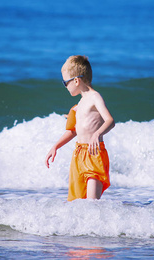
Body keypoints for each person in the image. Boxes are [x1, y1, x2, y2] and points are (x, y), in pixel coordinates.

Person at [45, 55, 115, 201]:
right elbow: (73, 131)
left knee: (92, 203)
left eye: (65, 83)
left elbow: (110, 120)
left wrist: (97, 133)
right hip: (78, 156)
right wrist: (55, 146)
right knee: (76, 203)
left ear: (76, 80)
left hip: (93, 153)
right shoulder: (78, 105)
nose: (65, 87)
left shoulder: (95, 97)